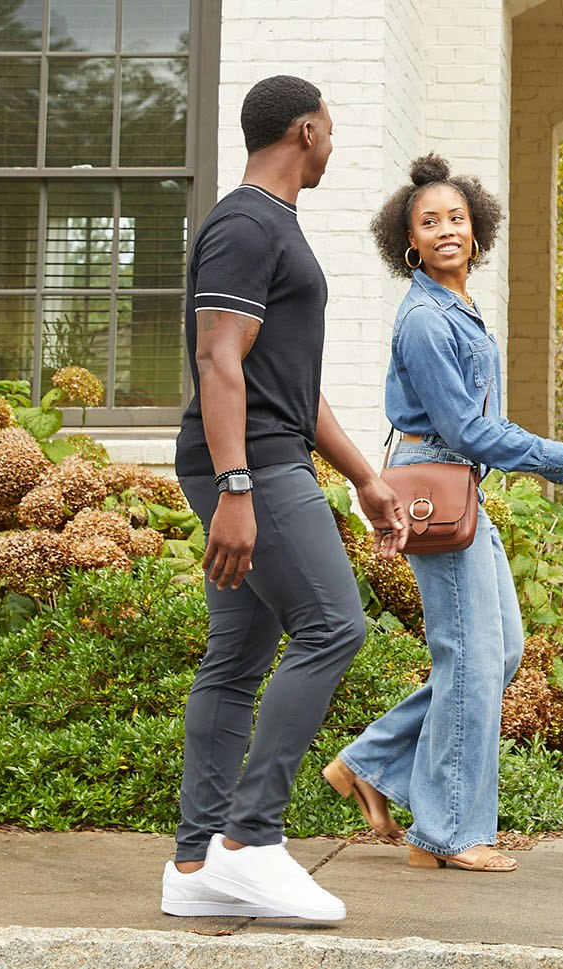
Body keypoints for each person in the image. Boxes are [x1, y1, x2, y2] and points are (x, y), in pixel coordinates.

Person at [159, 76, 407, 923]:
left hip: (266, 452)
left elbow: (288, 387)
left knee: (235, 659)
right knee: (334, 624)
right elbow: (218, 358)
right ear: (307, 130)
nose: (333, 144)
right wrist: (236, 488)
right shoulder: (246, 223)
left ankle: (195, 865)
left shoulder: (272, 228)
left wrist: (364, 477)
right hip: (252, 465)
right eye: (331, 130)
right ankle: (249, 840)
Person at [323, 153, 563, 874]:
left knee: (500, 652)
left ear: (476, 230)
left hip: (461, 492)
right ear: (409, 243)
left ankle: (369, 761)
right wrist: (556, 454)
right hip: (438, 494)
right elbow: (466, 428)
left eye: (457, 217)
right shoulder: (424, 319)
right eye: (429, 222)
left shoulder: (462, 307)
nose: (446, 230)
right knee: (470, 661)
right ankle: (446, 834)